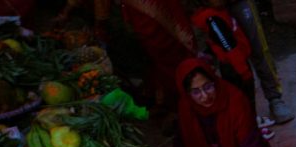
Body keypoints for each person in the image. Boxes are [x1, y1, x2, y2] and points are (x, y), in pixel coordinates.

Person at [57, 0, 196, 107]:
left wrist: (100, 22)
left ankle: (182, 101)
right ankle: (166, 98)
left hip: (151, 12)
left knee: (167, 51)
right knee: (156, 54)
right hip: (140, 11)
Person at [226, 0, 295, 124]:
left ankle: (274, 98)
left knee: (258, 48)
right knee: (227, 56)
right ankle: (239, 110)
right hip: (211, 7)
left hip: (239, 2)